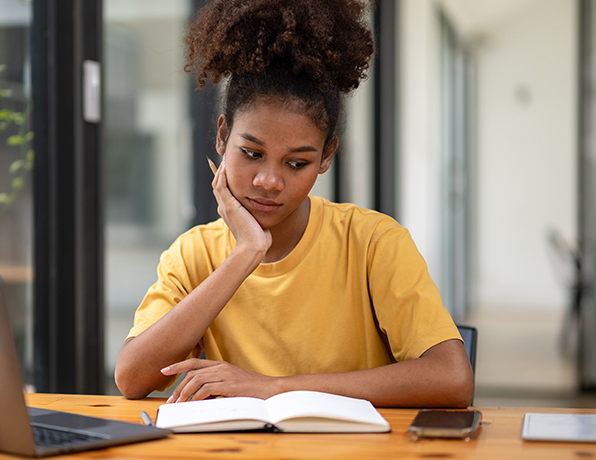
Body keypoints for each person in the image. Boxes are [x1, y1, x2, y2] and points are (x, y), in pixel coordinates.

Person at [114, 0, 471, 408]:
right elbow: (132, 377)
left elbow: (452, 378)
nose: (269, 181)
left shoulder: (373, 242)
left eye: (297, 163)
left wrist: (274, 387)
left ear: (327, 156)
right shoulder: (194, 254)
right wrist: (246, 253)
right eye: (252, 154)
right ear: (222, 137)